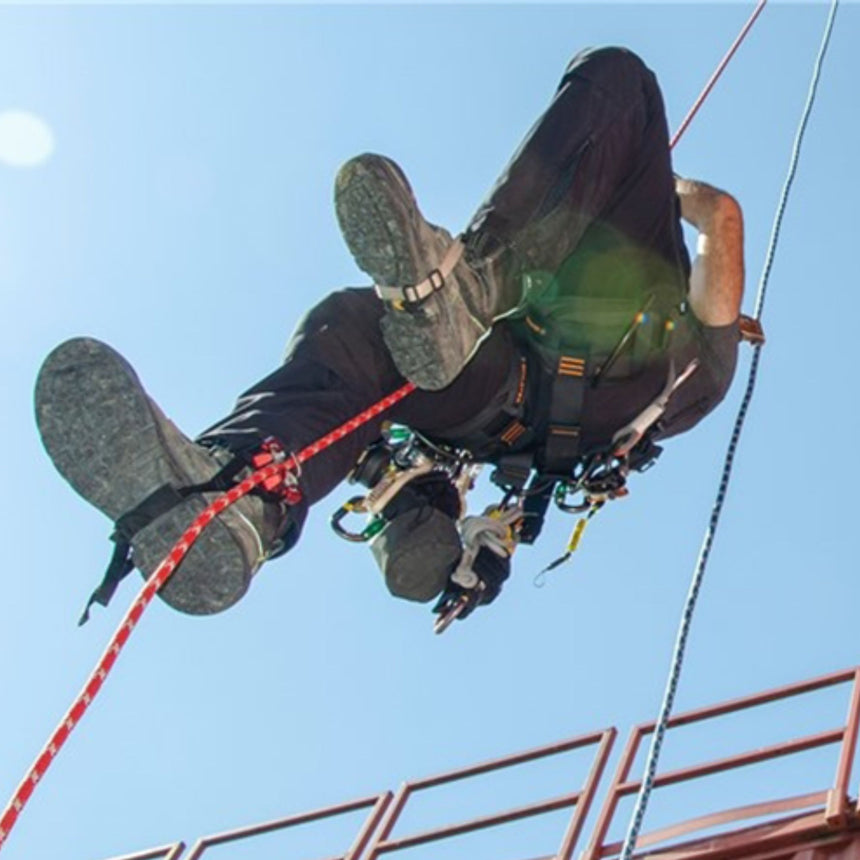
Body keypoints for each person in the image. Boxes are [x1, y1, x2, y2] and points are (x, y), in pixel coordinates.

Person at [35, 47, 744, 625]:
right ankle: (244, 504)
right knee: (366, 326)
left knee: (623, 81)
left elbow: (722, 218)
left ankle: (471, 286)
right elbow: (724, 228)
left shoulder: (699, 362)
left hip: (527, 377)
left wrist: (662, 177)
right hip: (502, 395)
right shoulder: (699, 375)